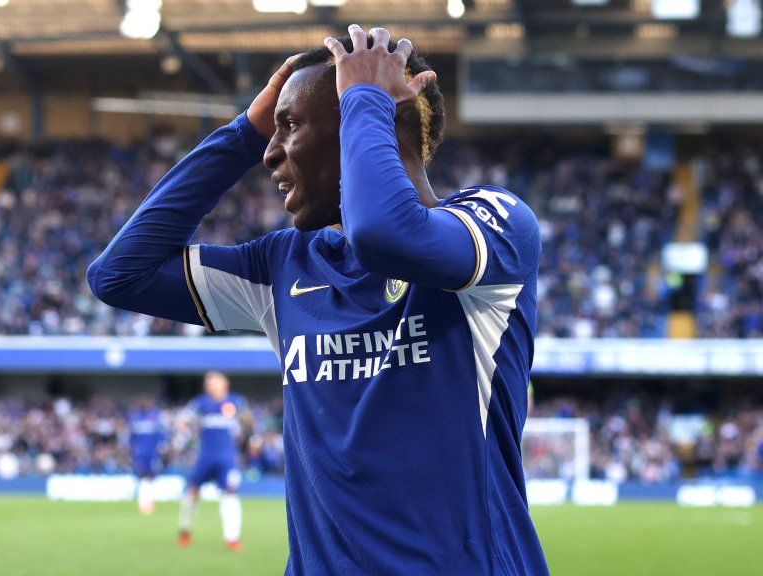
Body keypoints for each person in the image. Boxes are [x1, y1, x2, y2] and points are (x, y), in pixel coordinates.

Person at [88, 25, 548, 575]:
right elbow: (119, 274)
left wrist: (365, 97)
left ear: (366, 121)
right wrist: (241, 133)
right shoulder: (285, 266)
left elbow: (383, 235)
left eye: (290, 125)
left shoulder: (494, 228)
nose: (270, 154)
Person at [176, 371, 247, 550]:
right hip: (205, 456)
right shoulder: (200, 403)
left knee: (230, 494)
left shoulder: (236, 401)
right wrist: (185, 430)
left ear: (224, 383)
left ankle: (232, 538)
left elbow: (248, 421)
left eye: (213, 382)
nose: (209, 386)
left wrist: (247, 429)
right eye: (207, 383)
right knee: (192, 492)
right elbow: (183, 419)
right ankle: (185, 530)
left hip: (227, 458)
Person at [128, 397, 165, 515]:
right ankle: (143, 502)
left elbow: (161, 433)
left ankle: (150, 500)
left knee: (152, 476)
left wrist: (162, 445)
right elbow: (132, 436)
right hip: (140, 453)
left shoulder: (155, 416)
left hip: (152, 453)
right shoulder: (136, 417)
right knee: (142, 476)